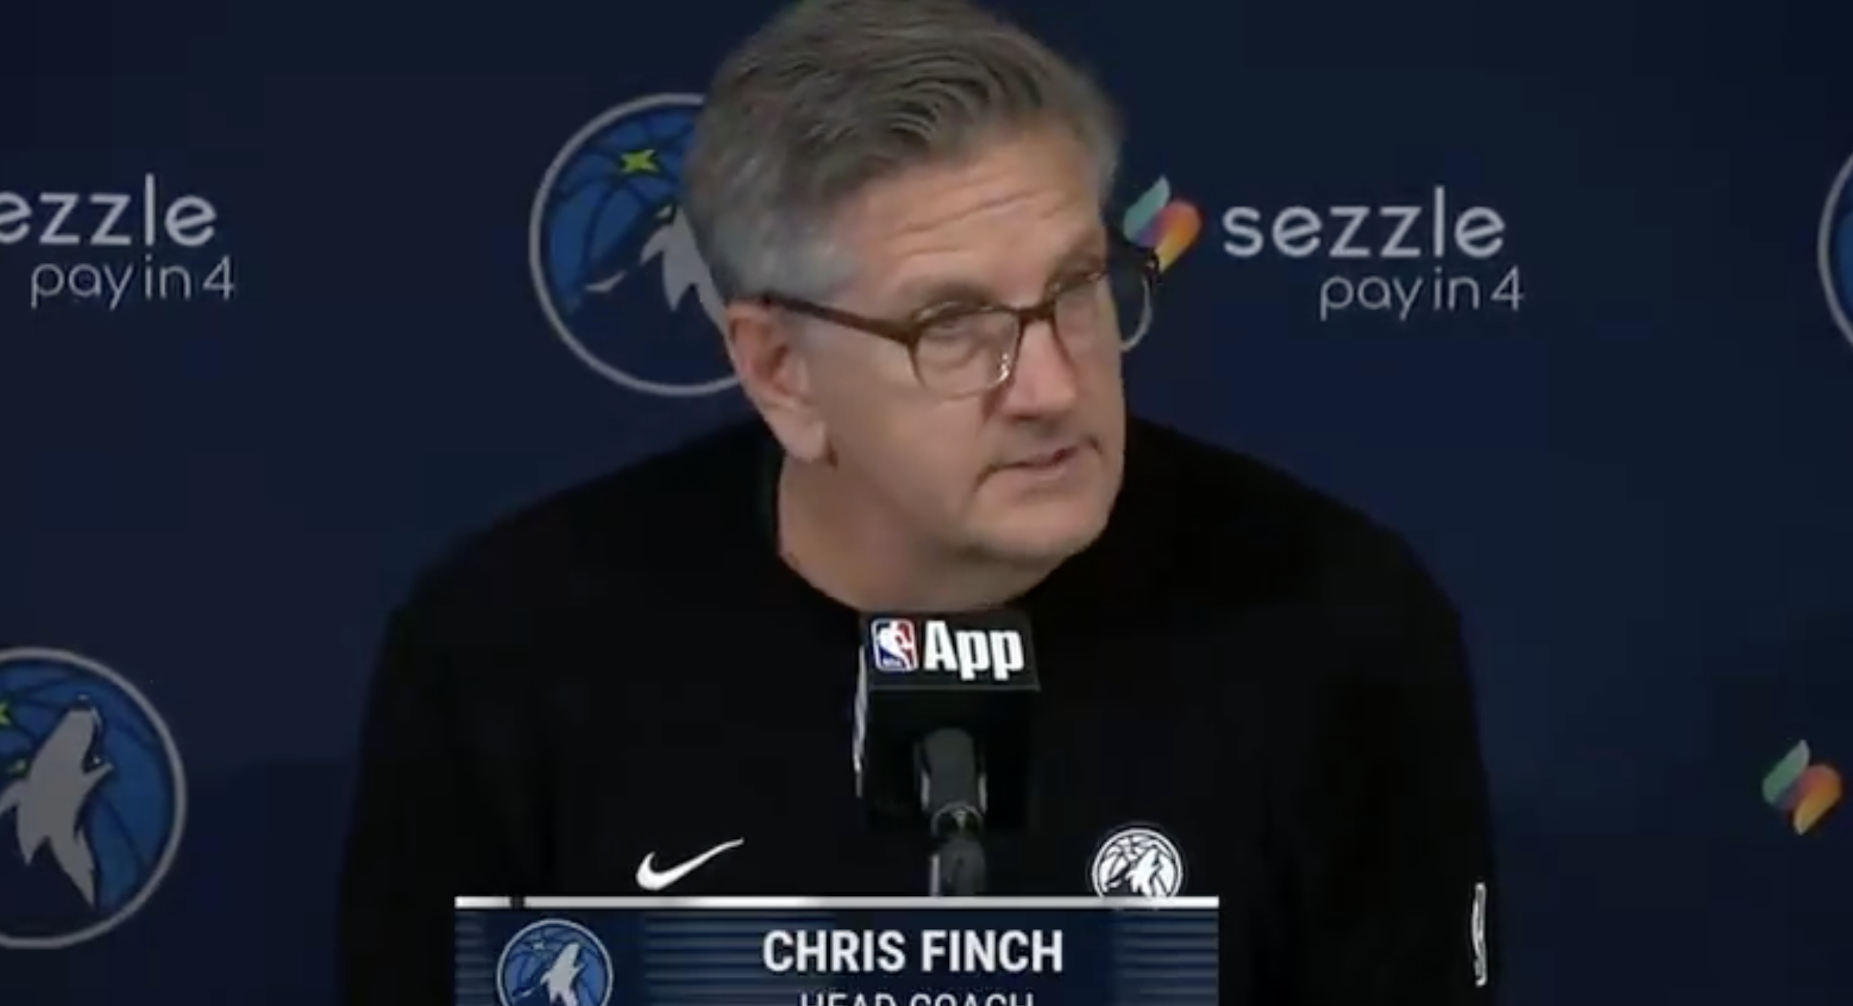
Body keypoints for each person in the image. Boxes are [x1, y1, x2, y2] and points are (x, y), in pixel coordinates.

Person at [336, 0, 1499, 1002]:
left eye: (1074, 288)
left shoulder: (1334, 623)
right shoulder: (510, 651)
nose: (1050, 387)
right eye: (950, 325)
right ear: (781, 371)